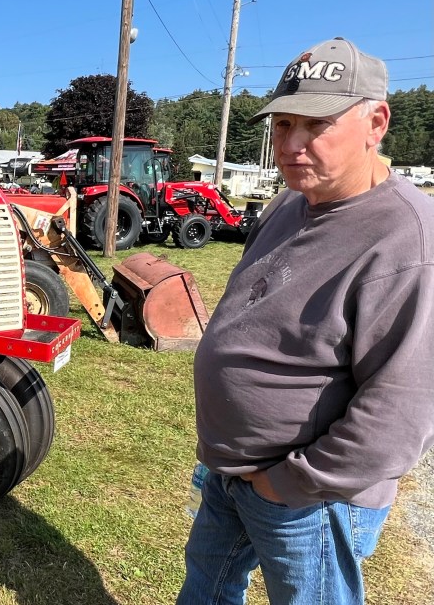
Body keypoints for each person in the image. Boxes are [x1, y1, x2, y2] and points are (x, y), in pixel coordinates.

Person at [178, 37, 434, 604]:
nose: (291, 144)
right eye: (283, 124)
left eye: (316, 124)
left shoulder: (407, 239)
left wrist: (286, 483)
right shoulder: (290, 203)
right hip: (233, 470)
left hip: (307, 497)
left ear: (376, 123)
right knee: (207, 588)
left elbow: (399, 416)